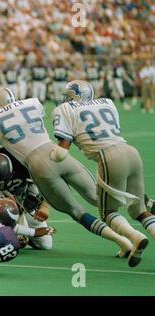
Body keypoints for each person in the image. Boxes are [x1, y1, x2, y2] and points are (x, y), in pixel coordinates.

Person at [0, 87, 134, 259]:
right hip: (56, 152)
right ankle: (139, 220)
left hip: (37, 163)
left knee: (77, 212)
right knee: (100, 198)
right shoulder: (33, 102)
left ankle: (123, 242)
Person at [52, 80, 155, 267]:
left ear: (75, 95)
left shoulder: (65, 109)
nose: (65, 98)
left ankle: (135, 237)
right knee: (139, 210)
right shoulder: (107, 102)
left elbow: (62, 151)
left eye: (68, 95)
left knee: (108, 212)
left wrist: (51, 156)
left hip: (109, 157)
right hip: (130, 151)